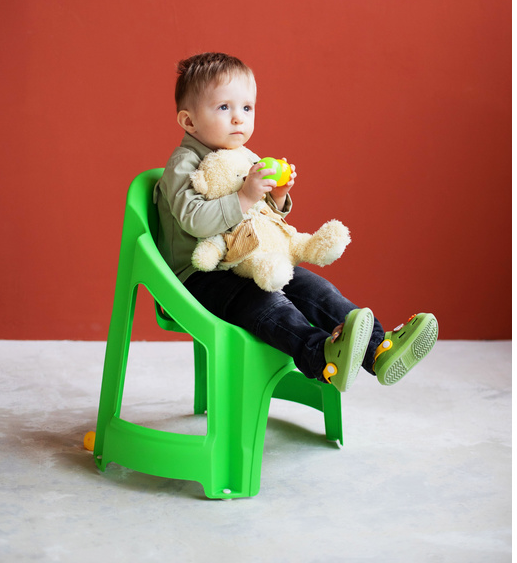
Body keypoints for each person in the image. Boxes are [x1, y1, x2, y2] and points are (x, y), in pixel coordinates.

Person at [154, 52, 438, 393]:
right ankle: (322, 356)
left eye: (247, 108)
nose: (239, 118)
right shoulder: (183, 164)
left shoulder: (246, 157)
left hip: (252, 261)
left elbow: (261, 221)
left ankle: (379, 349)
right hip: (203, 277)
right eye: (224, 107)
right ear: (189, 121)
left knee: (316, 290)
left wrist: (276, 198)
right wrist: (245, 196)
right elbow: (194, 221)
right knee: (267, 305)